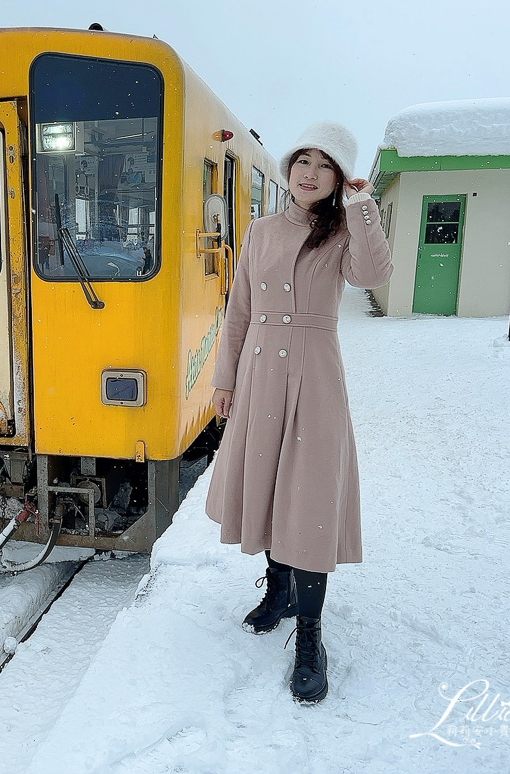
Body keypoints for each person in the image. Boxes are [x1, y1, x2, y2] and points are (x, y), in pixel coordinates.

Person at [204, 121, 393, 704]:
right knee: (264, 483)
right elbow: (238, 311)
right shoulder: (260, 231)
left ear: (338, 178)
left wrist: (362, 209)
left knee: (308, 498)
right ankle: (279, 588)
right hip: (261, 374)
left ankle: (310, 632)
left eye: (324, 165)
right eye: (301, 161)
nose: (308, 173)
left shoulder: (342, 232)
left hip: (314, 375)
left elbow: (374, 275)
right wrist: (224, 380)